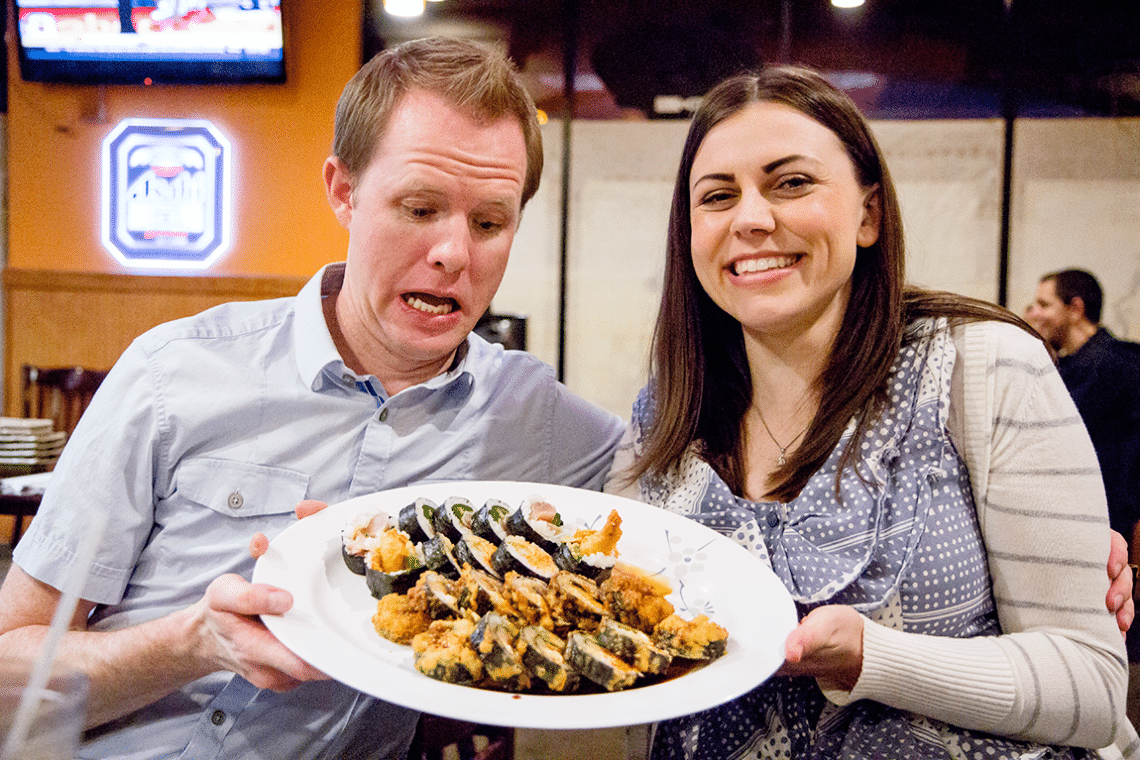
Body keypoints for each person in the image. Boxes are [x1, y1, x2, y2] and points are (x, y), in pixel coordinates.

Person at [0, 38, 624, 760]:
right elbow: (9, 680)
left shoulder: (532, 415)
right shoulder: (174, 374)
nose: (456, 252)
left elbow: (698, 477)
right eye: (420, 208)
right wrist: (194, 642)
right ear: (343, 190)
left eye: (490, 223)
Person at [605, 66, 1135, 759]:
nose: (753, 218)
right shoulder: (665, 417)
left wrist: (871, 657)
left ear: (868, 214)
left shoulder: (981, 367)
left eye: (791, 182)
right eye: (717, 196)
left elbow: (1091, 689)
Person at [1026, 269, 1140, 548]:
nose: (1033, 313)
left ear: (1075, 309)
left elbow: (1045, 437)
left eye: (1044, 305)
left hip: (1104, 526)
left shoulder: (1112, 365)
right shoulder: (1077, 364)